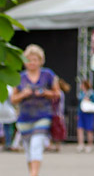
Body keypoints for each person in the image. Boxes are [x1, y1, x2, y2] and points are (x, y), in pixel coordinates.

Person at [10, 44, 60, 176]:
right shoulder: (19, 77)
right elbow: (13, 99)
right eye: (29, 59)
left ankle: (34, 174)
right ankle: (32, 173)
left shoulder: (48, 74)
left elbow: (57, 93)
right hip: (24, 118)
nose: (32, 62)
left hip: (43, 116)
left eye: (35, 59)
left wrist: (45, 92)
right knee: (28, 150)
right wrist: (23, 94)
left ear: (40, 61)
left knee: (36, 146)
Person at [76, 79, 94, 152]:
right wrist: (78, 114)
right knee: (79, 128)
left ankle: (90, 145)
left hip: (89, 113)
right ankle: (81, 144)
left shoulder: (92, 93)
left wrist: (90, 100)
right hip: (82, 113)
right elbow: (79, 104)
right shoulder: (81, 93)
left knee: (89, 129)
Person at [0, 84, 17, 151]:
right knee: (7, 127)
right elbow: (12, 100)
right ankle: (8, 143)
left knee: (5, 127)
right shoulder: (9, 88)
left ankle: (8, 143)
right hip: (7, 109)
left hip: (3, 109)